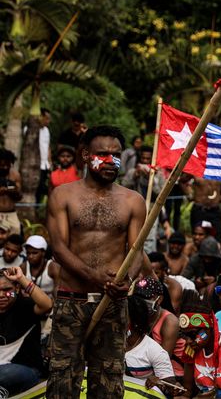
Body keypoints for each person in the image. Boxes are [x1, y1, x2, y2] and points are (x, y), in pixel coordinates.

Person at [46, 125, 145, 398]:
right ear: (86, 155)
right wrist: (99, 278)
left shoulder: (133, 201)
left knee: (109, 383)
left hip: (112, 305)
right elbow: (59, 250)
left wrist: (127, 280)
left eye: (116, 155)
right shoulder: (63, 195)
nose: (111, 160)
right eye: (102, 154)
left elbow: (137, 251)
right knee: (62, 381)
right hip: (72, 301)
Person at [0, 266, 53, 395]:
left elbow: (47, 304)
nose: (1, 295)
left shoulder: (25, 306)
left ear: (17, 289)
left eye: (7, 290)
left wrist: (21, 279)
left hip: (26, 370)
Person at [124, 295, 177, 394]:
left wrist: (159, 383)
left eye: (122, 317)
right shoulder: (106, 343)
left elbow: (171, 389)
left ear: (135, 322)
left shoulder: (155, 351)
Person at [186, 176, 221, 245]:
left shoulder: (218, 169)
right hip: (199, 210)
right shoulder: (196, 168)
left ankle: (217, 254)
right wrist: (189, 194)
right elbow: (182, 181)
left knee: (218, 239)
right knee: (198, 239)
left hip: (214, 211)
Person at [0, 148, 22, 236]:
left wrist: (9, 190)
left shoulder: (15, 175)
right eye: (2, 165)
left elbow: (19, 196)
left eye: (7, 165)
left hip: (11, 213)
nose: (5, 167)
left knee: (15, 237)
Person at [35, 108, 52, 203]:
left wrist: (50, 162)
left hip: (45, 164)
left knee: (42, 186)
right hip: (36, 164)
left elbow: (48, 146)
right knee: (39, 187)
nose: (48, 121)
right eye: (46, 118)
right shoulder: (30, 129)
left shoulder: (46, 130)